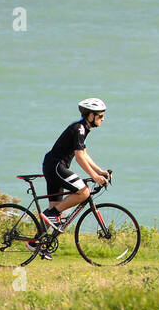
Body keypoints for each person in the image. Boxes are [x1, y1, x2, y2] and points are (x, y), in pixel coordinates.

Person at [40, 97, 110, 231]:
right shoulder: (79, 129)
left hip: (53, 166)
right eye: (100, 116)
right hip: (56, 167)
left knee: (55, 206)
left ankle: (36, 242)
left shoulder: (82, 128)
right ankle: (51, 214)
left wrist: (100, 171)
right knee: (84, 192)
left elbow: (84, 153)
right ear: (91, 115)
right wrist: (95, 177)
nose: (103, 119)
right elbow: (79, 157)